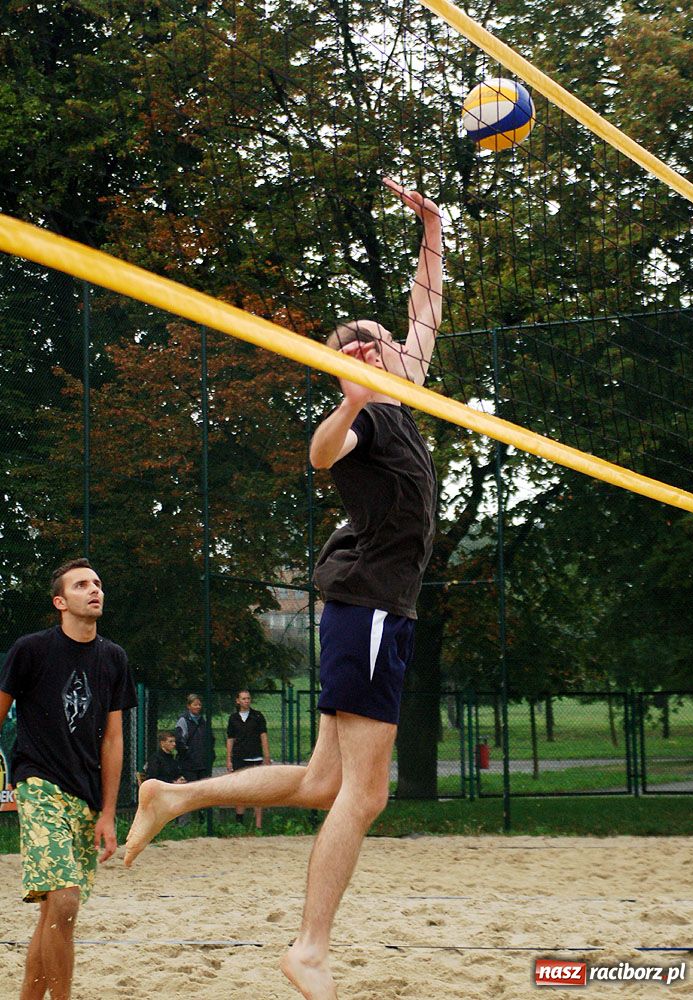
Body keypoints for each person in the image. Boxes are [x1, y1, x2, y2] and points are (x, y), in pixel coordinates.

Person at [124, 175, 442, 1000]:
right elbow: (319, 453)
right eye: (351, 344)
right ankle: (308, 947)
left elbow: (424, 318)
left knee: (319, 784)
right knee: (368, 794)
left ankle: (172, 795)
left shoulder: (402, 396)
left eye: (373, 338)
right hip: (369, 602)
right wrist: (349, 396)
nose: (369, 346)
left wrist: (433, 235)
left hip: (375, 602)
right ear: (337, 362)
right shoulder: (364, 414)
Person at [0, 557, 137, 1000]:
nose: (94, 589)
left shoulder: (114, 658)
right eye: (81, 585)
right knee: (64, 900)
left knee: (52, 914)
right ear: (61, 601)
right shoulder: (31, 650)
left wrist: (110, 813)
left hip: (87, 795)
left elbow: (113, 741)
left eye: (97, 583)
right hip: (37, 782)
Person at [226, 689, 271, 829]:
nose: (246, 701)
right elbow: (230, 739)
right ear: (238, 701)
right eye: (243, 699)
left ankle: (258, 826)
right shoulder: (233, 718)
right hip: (239, 757)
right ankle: (239, 824)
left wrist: (267, 756)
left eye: (248, 698)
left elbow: (263, 736)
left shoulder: (257, 716)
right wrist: (229, 758)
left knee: (257, 790)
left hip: (255, 757)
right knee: (239, 790)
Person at [175, 693, 213, 783]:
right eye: (195, 705)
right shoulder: (183, 721)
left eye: (199, 705)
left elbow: (210, 739)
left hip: (203, 763)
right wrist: (188, 752)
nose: (198, 707)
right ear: (189, 706)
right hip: (189, 765)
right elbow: (179, 741)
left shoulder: (203, 721)